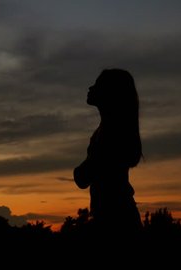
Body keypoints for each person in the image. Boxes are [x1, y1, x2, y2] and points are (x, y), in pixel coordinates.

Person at [73, 68, 143, 237]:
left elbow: (83, 177)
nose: (90, 88)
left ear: (110, 93)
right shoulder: (109, 130)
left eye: (97, 85)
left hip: (114, 219)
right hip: (116, 215)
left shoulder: (111, 132)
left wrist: (81, 170)